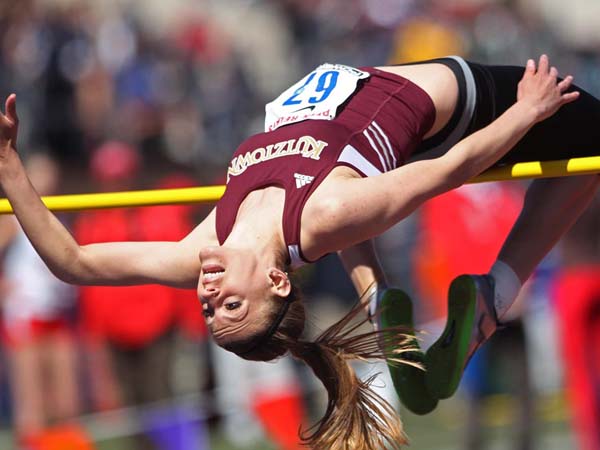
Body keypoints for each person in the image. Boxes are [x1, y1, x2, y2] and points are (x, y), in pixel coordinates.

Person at [1, 54, 599, 449]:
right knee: (592, 139)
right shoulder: (326, 216)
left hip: (360, 101)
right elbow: (442, 173)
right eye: (230, 306)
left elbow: (74, 263)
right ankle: (492, 295)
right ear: (276, 283)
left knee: (348, 201)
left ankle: (378, 299)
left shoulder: (205, 249)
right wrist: (526, 112)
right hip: (446, 101)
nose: (210, 299)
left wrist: (10, 171)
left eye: (210, 312)